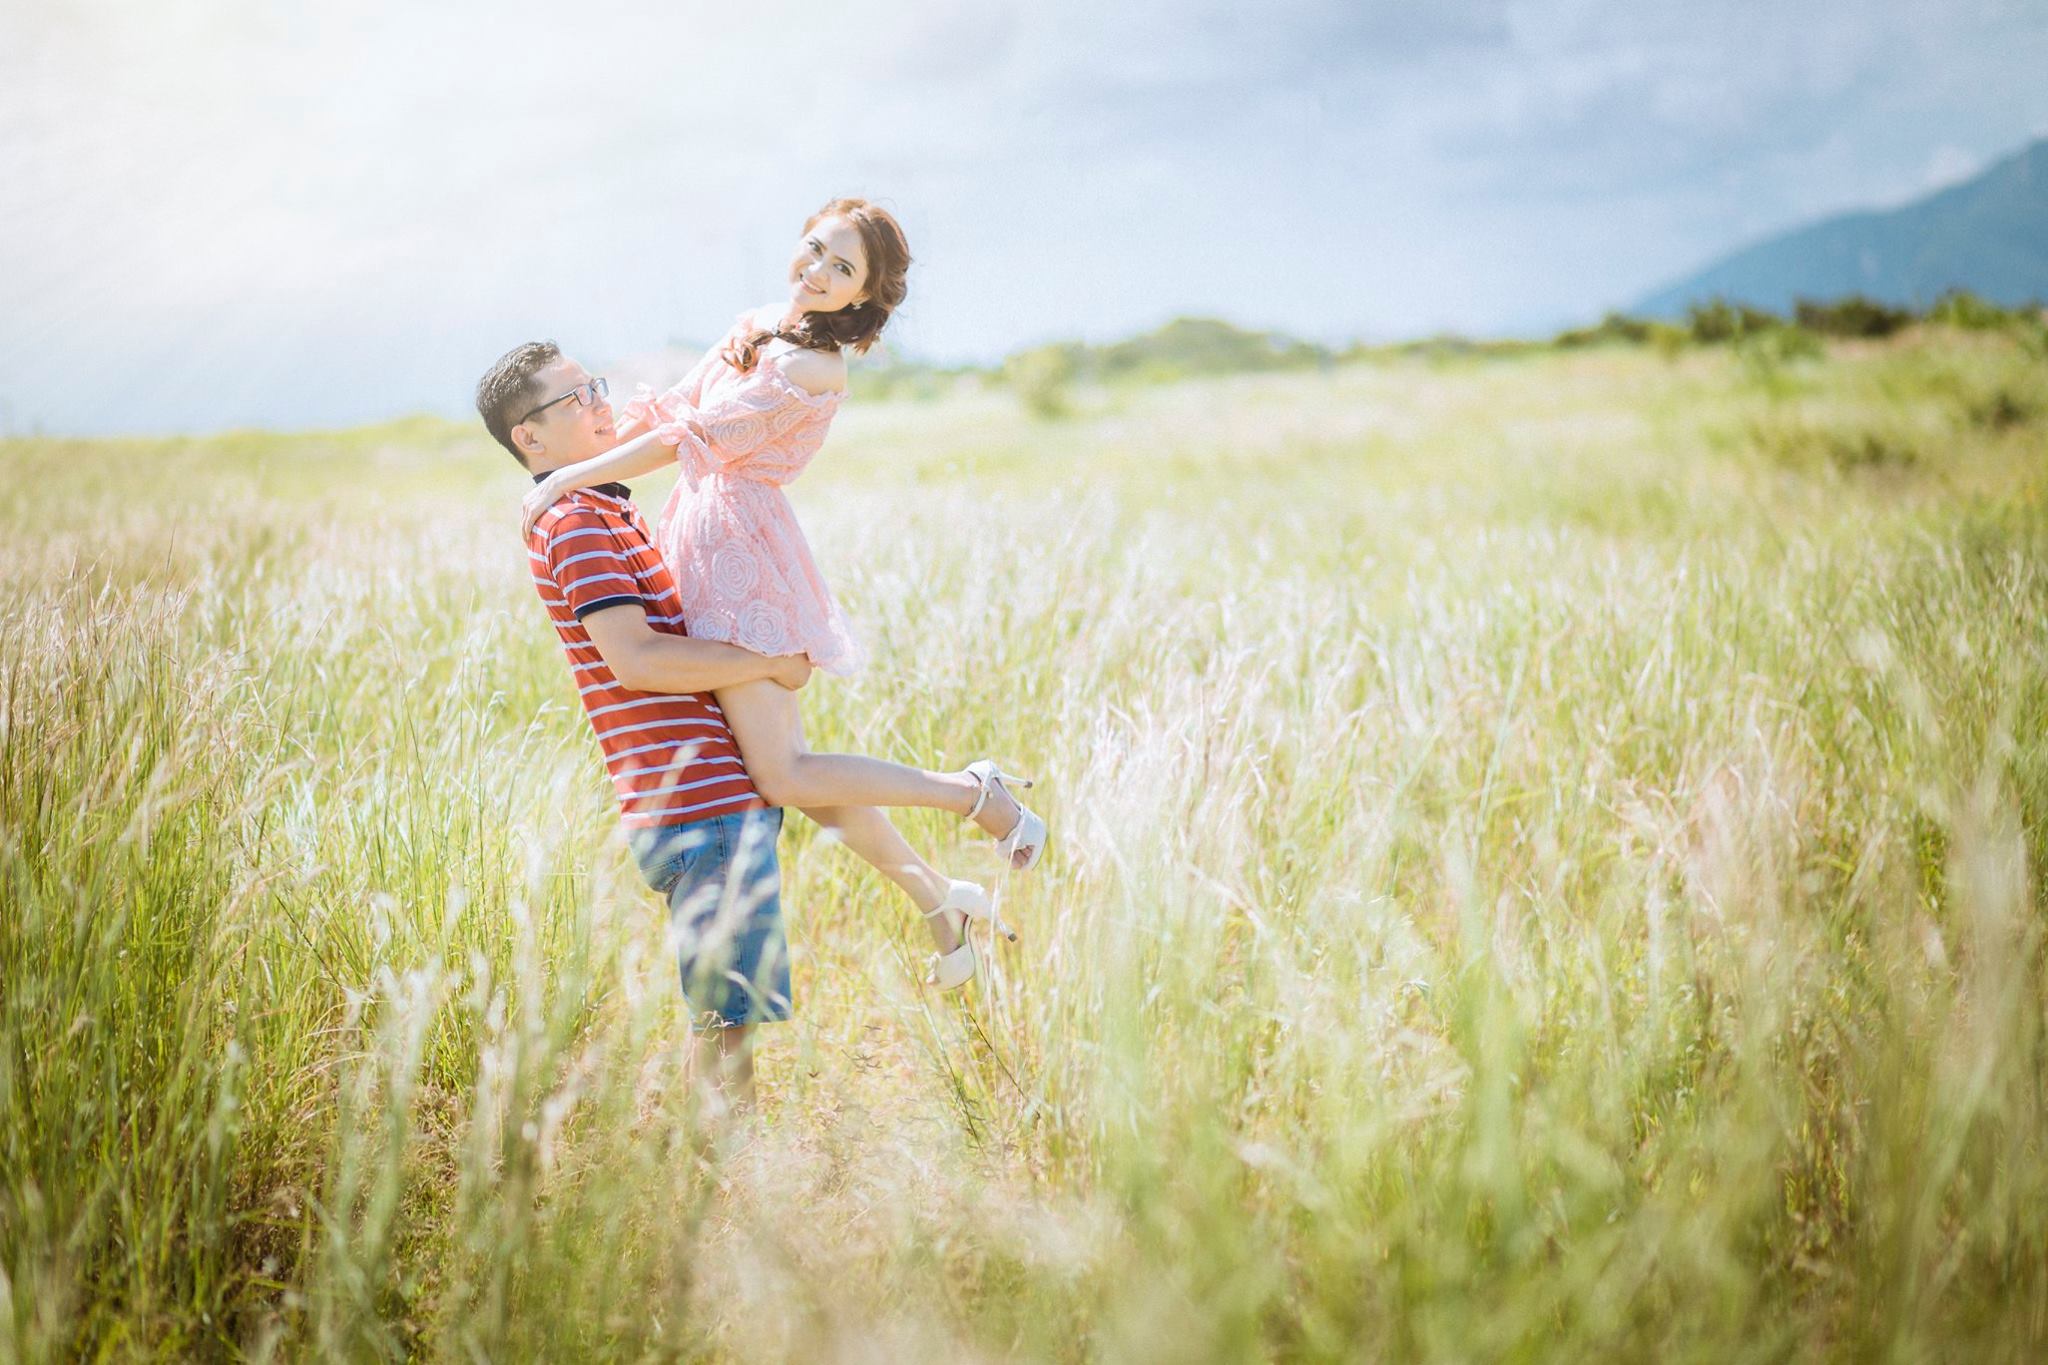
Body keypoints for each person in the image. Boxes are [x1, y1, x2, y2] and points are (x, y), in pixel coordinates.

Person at [520, 197, 1044, 990]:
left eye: (844, 269)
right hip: (699, 535)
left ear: (865, 297)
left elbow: (685, 438)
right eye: (815, 249)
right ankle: (941, 903)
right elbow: (670, 408)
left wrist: (567, 474)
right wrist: (575, 454)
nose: (818, 271)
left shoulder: (814, 366)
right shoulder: (758, 321)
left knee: (787, 774)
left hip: (740, 549)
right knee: (791, 772)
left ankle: (974, 794)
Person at [478, 339, 809, 1113]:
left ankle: (719, 1181)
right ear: (530, 437)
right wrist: (768, 661)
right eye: (577, 398)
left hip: (707, 798)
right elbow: (637, 659)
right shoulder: (575, 522)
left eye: (594, 385)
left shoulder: (606, 507)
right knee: (729, 1027)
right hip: (696, 801)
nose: (601, 403)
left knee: (726, 1020)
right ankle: (727, 1195)